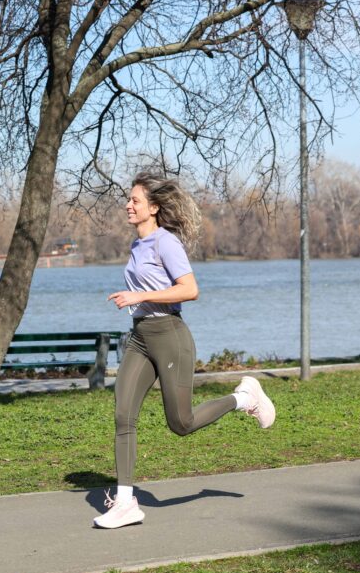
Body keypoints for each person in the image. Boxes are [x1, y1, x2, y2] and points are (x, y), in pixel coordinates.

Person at [94, 173, 276, 529]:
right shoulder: (137, 245)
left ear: (153, 208)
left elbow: (190, 289)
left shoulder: (166, 242)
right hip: (141, 337)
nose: (128, 205)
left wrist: (139, 296)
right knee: (123, 414)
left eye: (135, 200)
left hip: (170, 336)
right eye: (128, 200)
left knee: (181, 423)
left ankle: (244, 397)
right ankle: (126, 503)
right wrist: (138, 300)